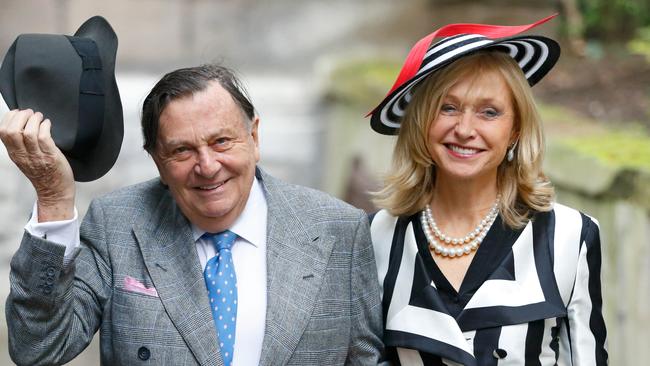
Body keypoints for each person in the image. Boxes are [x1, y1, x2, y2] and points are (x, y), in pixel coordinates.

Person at [1, 64, 384, 365]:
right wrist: (53, 196)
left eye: (221, 141)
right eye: (182, 150)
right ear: (157, 162)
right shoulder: (117, 223)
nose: (207, 166)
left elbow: (369, 360)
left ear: (254, 138)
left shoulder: (339, 228)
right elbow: (39, 349)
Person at [367, 15, 608, 365]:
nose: (465, 129)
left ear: (515, 131)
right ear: (421, 121)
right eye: (447, 108)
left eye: (489, 112)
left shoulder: (570, 237)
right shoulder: (376, 237)